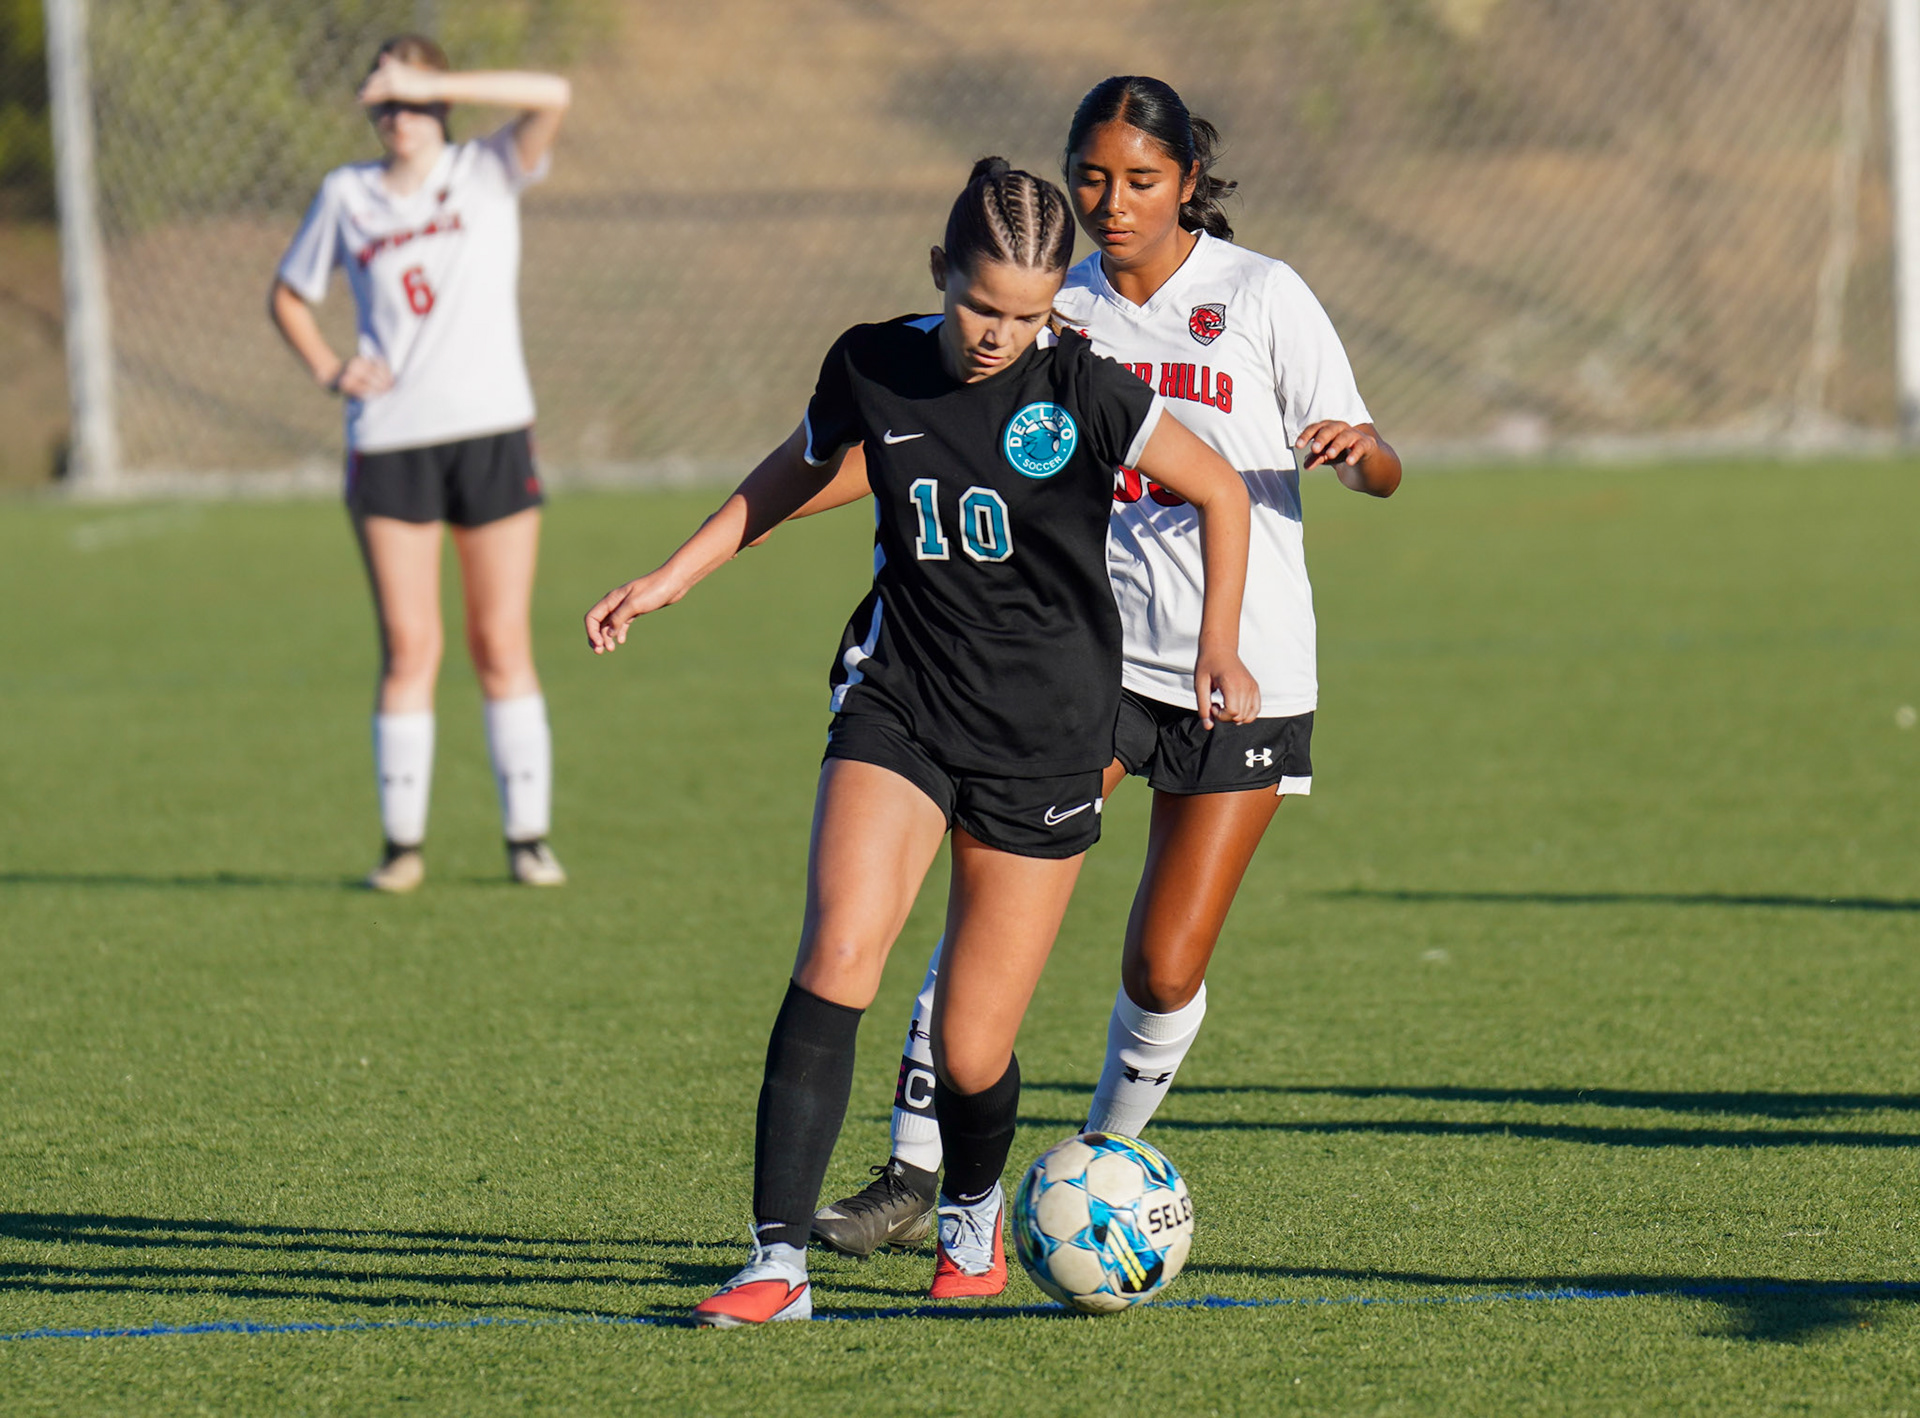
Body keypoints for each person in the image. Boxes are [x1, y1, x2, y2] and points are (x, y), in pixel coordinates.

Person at [583, 158, 1255, 1326]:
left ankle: (973, 1212)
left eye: (1028, 315)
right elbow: (795, 468)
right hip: (903, 699)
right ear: (940, 271)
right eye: (982, 305)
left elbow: (1222, 491)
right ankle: (776, 1263)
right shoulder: (872, 361)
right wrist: (676, 573)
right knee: (839, 951)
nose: (1000, 335)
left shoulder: (1086, 387)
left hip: (1046, 730)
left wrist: (1219, 647)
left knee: (971, 1044)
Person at [805, 76, 1402, 1257]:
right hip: (1086, 661)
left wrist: (1360, 450)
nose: (1113, 202)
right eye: (1092, 177)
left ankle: (1095, 1170)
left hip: (1243, 669)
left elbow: (1379, 464)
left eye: (1140, 179)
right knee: (991, 898)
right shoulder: (1052, 304)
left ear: (1189, 180)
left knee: (1165, 963)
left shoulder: (1261, 294)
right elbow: (922, 435)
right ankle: (913, 1170)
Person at [268, 34, 572, 892]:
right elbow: (289, 294)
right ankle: (401, 848)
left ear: (441, 99)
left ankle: (527, 839)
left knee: (500, 639)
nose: (399, 114)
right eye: (387, 99)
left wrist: (436, 79)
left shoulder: (487, 169)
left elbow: (553, 91)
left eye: (414, 97)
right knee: (410, 646)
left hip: (491, 431)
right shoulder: (348, 194)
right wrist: (331, 368)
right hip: (390, 439)